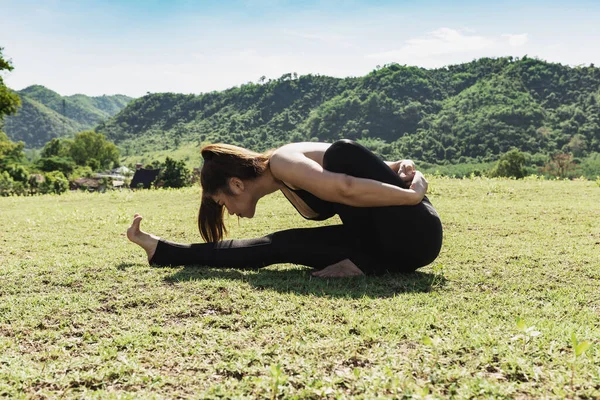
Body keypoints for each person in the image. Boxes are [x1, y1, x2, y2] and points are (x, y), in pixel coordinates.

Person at [127, 139, 442, 278]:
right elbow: (384, 168)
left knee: (342, 152)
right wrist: (403, 166)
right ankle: (165, 251)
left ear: (236, 184)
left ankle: (366, 261)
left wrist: (411, 196)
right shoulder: (282, 177)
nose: (231, 212)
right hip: (389, 241)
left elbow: (348, 182)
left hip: (415, 236)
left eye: (224, 203)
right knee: (281, 244)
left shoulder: (284, 161)